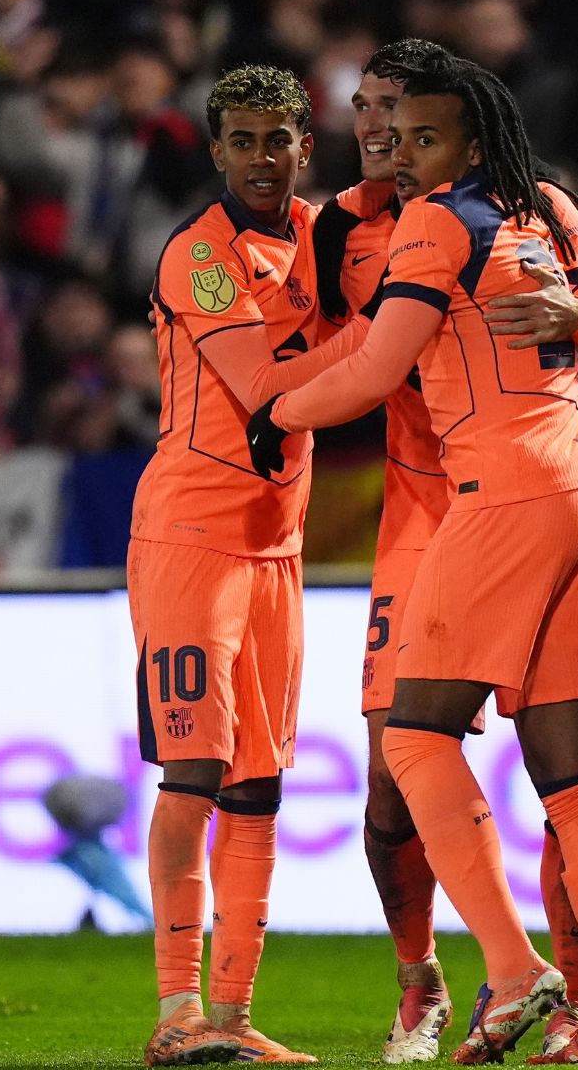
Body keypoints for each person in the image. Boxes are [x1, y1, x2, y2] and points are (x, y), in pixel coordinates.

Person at [251, 57, 578, 1066]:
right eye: (379, 116)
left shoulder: (443, 221)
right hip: (577, 487)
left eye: (417, 127)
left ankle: (519, 971)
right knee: (572, 770)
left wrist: (276, 409)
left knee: (414, 738)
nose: (395, 138)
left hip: (498, 498)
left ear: (461, 137)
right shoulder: (384, 219)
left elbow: (377, 366)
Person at [131, 63, 372, 1067]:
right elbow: (266, 386)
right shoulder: (204, 258)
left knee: (260, 786)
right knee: (194, 771)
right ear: (217, 150)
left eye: (279, 139)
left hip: (278, 547)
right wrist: (383, 327)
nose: (263, 157)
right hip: (191, 537)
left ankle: (229, 1020)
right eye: (242, 140)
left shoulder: (324, 239)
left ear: (304, 146)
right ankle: (175, 1010)